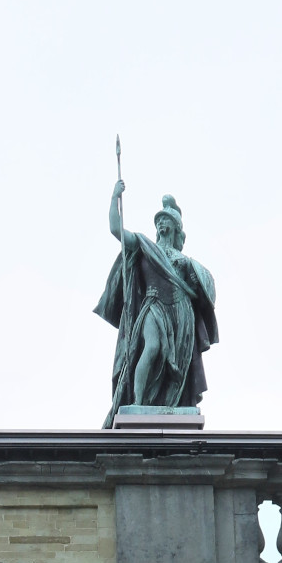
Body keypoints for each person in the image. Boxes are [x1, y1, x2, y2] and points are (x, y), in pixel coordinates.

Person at [95, 181, 217, 423]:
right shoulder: (144, 246)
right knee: (152, 347)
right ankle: (138, 403)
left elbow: (205, 290)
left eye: (165, 220)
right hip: (153, 305)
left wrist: (193, 272)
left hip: (180, 311)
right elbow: (115, 229)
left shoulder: (184, 259)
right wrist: (114, 198)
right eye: (158, 220)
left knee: (179, 366)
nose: (161, 223)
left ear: (174, 227)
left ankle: (173, 402)